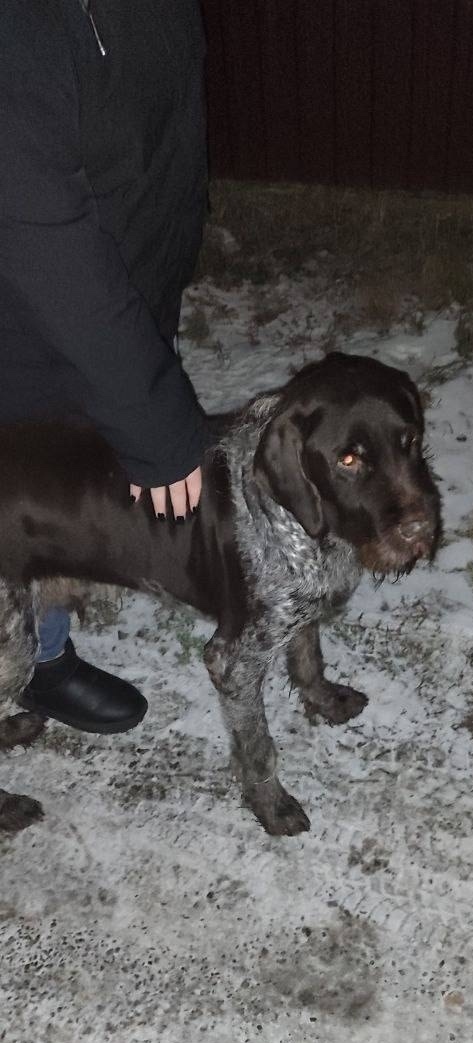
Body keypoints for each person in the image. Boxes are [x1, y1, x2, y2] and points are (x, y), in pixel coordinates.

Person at [0, 0, 210, 733]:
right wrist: (156, 422)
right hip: (26, 325)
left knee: (52, 512)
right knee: (21, 507)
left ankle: (42, 652)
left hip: (121, 295)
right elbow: (40, 235)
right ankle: (31, 661)